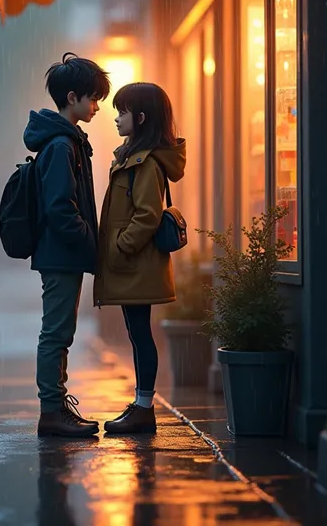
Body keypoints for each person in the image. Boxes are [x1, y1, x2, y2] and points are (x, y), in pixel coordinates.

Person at [23, 52, 110, 437]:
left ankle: (56, 408)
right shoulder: (61, 145)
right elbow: (61, 208)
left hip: (62, 254)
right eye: (92, 98)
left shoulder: (65, 141)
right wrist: (85, 239)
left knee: (60, 332)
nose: (96, 107)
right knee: (56, 332)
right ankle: (52, 412)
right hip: (61, 255)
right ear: (72, 96)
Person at [94, 82, 186, 434]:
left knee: (141, 334)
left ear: (142, 117)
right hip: (133, 265)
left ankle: (144, 407)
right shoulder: (132, 158)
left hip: (136, 265)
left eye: (123, 112)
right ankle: (140, 403)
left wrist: (121, 247)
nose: (116, 119)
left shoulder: (144, 164)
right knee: (137, 333)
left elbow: (147, 215)